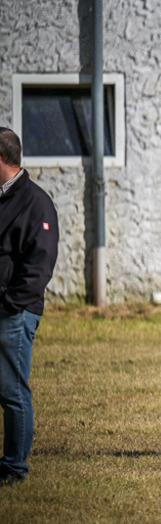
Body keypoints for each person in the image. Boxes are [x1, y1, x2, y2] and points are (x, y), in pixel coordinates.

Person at [0, 127, 59, 486]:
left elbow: (40, 265)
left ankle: (14, 468)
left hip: (15, 313)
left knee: (12, 391)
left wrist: (10, 304)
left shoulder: (37, 203)